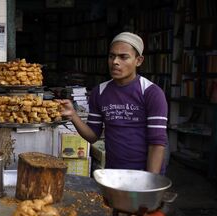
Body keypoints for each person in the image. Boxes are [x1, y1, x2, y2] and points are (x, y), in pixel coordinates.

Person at [59, 32, 168, 174]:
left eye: (123, 57)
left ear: (139, 61)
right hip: (113, 172)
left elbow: (157, 143)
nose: (115, 61)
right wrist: (73, 116)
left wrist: (150, 181)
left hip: (144, 173)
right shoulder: (100, 92)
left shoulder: (151, 93)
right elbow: (93, 136)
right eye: (111, 56)